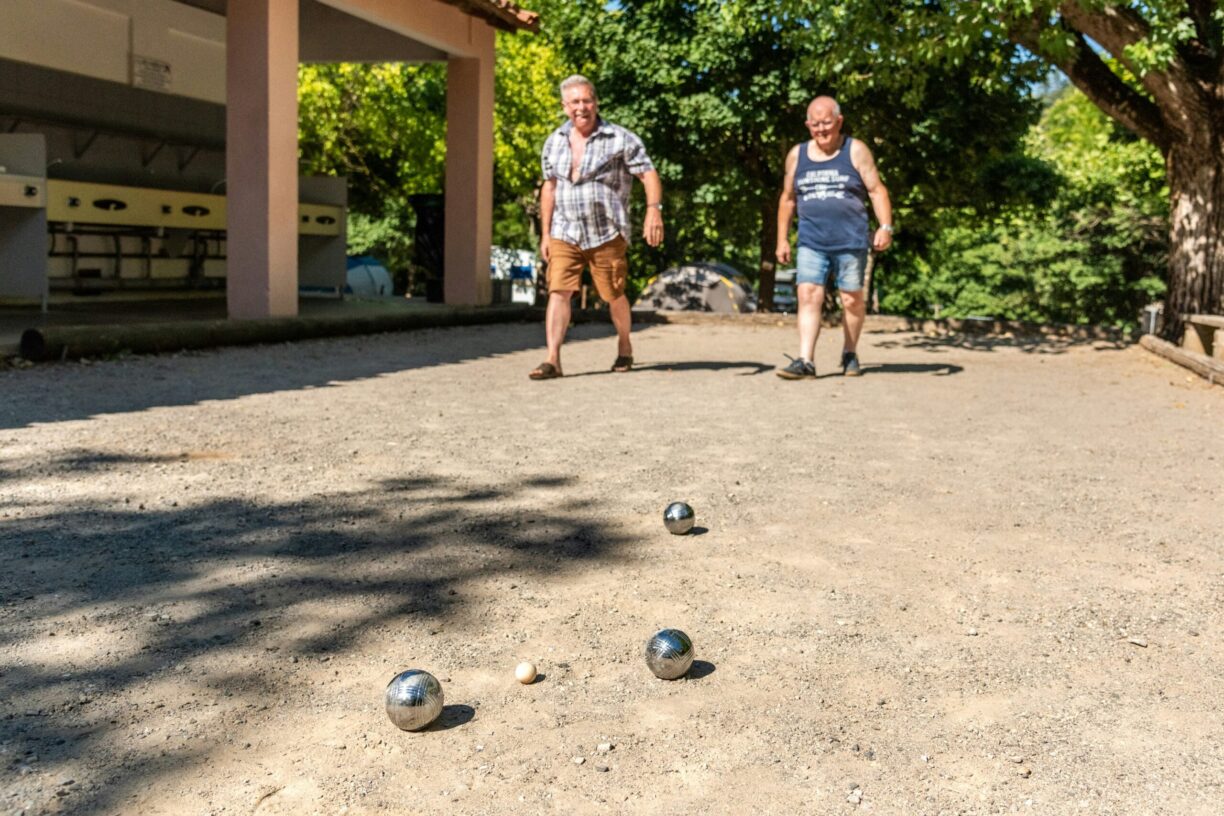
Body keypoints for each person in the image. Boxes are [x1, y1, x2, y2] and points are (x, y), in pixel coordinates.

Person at [528, 75, 664, 380]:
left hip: (606, 232)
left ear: (596, 102)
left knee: (613, 294)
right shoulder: (554, 141)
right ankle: (552, 360)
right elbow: (550, 187)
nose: (581, 107)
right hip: (565, 231)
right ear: (564, 106)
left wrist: (654, 211)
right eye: (575, 102)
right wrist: (546, 234)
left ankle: (625, 345)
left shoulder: (619, 138)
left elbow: (648, 174)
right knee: (558, 290)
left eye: (587, 100)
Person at [775, 96, 893, 379]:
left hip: (850, 240)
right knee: (807, 294)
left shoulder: (855, 150)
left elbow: (877, 190)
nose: (821, 129)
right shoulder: (797, 155)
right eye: (815, 124)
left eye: (826, 123)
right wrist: (782, 239)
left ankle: (850, 352)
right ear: (807, 125)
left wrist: (885, 227)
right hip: (811, 240)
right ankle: (806, 360)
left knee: (851, 300)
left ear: (839, 121)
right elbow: (788, 199)